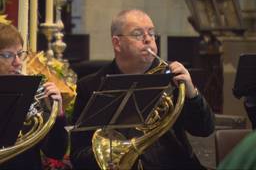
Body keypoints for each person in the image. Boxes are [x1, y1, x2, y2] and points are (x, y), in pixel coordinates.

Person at [70, 9, 215, 169]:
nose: (148, 39)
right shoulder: (90, 86)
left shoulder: (172, 78)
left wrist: (191, 92)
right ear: (117, 43)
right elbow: (78, 154)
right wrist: (107, 158)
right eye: (138, 34)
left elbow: (204, 129)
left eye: (151, 33)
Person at [0, 23, 68, 170]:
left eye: (20, 54)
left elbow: (55, 152)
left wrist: (58, 113)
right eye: (8, 55)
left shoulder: (33, 92)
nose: (17, 62)